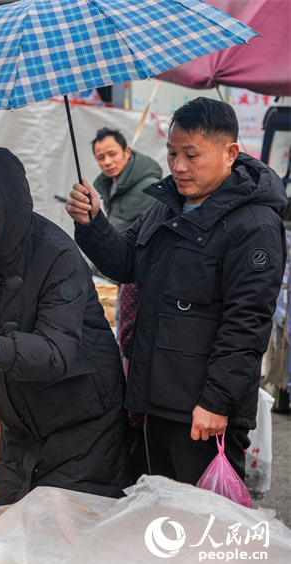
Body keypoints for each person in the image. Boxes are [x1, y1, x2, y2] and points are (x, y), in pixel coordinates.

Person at [66, 97, 286, 485]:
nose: (178, 166)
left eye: (191, 155)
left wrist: (216, 401)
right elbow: (127, 262)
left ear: (230, 153)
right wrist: (93, 222)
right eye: (172, 153)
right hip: (155, 398)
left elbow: (247, 324)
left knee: (202, 517)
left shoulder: (255, 226)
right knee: (157, 511)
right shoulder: (168, 204)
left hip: (202, 411)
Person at [0, 147, 128, 505]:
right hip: (18, 424)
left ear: (3, 209)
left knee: (66, 527)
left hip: (81, 424)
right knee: (10, 520)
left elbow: (56, 352)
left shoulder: (57, 255)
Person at [91, 127, 162, 481]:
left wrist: (94, 224)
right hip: (124, 284)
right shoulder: (110, 186)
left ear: (127, 152)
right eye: (100, 157)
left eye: (112, 154)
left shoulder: (148, 189)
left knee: (132, 347)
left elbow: (126, 249)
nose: (107, 162)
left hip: (137, 286)